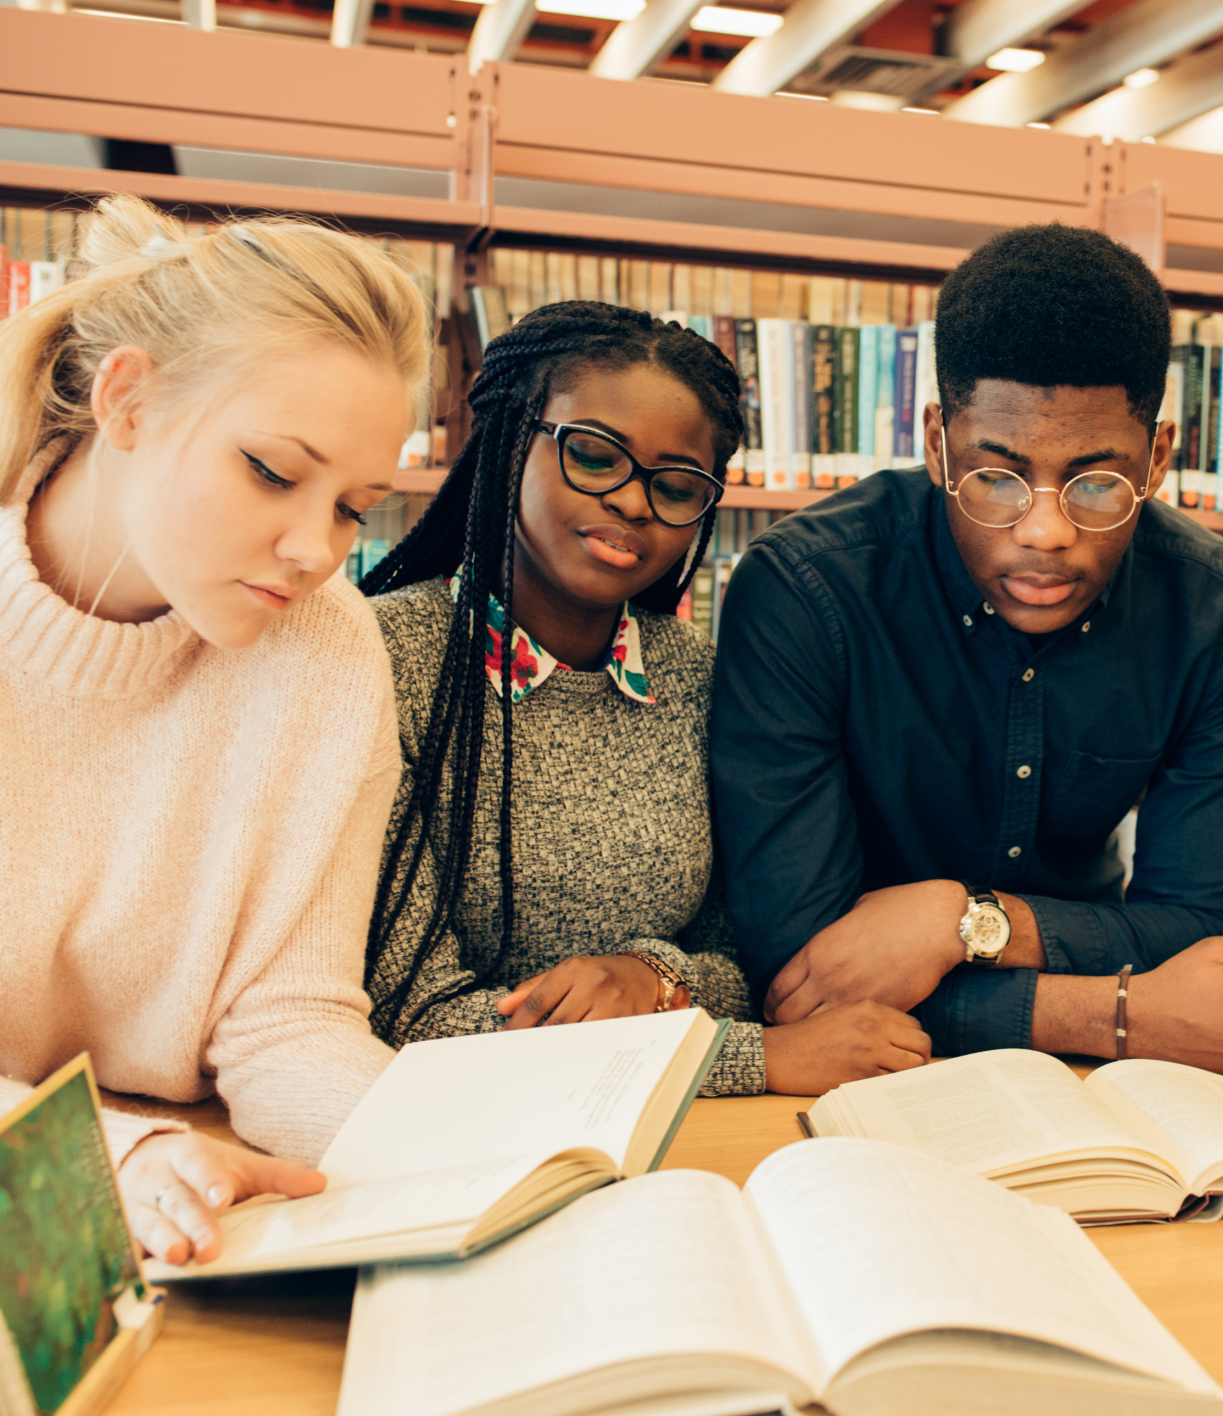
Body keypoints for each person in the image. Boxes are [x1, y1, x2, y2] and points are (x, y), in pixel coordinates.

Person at [711, 224, 1223, 1074]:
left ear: (1159, 458)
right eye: (996, 477)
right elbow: (801, 974)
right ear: (934, 441)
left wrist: (961, 922)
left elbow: (1206, 924)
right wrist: (1113, 1014)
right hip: (867, 1070)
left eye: (1097, 482)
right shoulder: (804, 591)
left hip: (1089, 1083)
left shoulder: (1219, 608)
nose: (1045, 532)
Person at [0, 195, 434, 1263]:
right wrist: (114, 1159)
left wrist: (465, 1163)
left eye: (353, 507)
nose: (314, 550)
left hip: (181, 1208)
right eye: (274, 472)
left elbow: (288, 1020)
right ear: (128, 403)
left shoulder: (328, 650)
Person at [361, 302, 929, 1095]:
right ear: (508, 438)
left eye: (675, 484)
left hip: (678, 1133)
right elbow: (409, 1018)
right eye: (594, 457)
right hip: (460, 1126)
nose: (633, 502)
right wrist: (751, 1059)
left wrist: (649, 975)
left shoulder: (702, 677)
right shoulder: (381, 664)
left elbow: (749, 959)